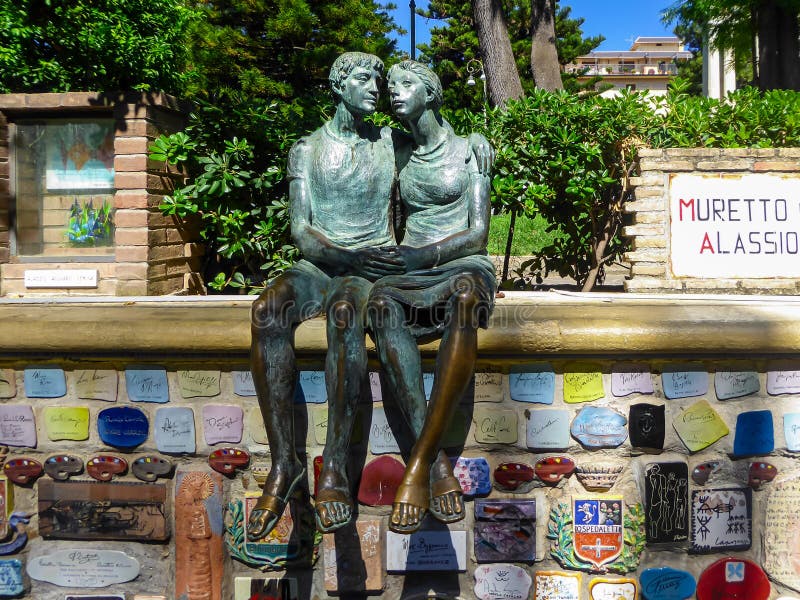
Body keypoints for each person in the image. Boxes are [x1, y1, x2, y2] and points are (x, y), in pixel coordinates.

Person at [248, 53, 492, 538]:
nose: (379, 91)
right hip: (319, 263)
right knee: (265, 311)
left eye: (383, 82)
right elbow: (301, 232)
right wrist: (345, 255)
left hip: (367, 270)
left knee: (345, 316)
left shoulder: (389, 142)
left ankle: (336, 469)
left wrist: (477, 144)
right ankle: (284, 464)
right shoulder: (306, 149)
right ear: (338, 85)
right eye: (366, 80)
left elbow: (436, 140)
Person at [368, 60, 496, 533]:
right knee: (380, 306)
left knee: (465, 300)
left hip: (460, 263)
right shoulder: (395, 150)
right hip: (407, 270)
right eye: (392, 86)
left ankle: (417, 465)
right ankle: (438, 464)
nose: (394, 93)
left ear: (431, 94)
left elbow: (478, 234)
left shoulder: (470, 150)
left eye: (405, 85)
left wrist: (422, 257)